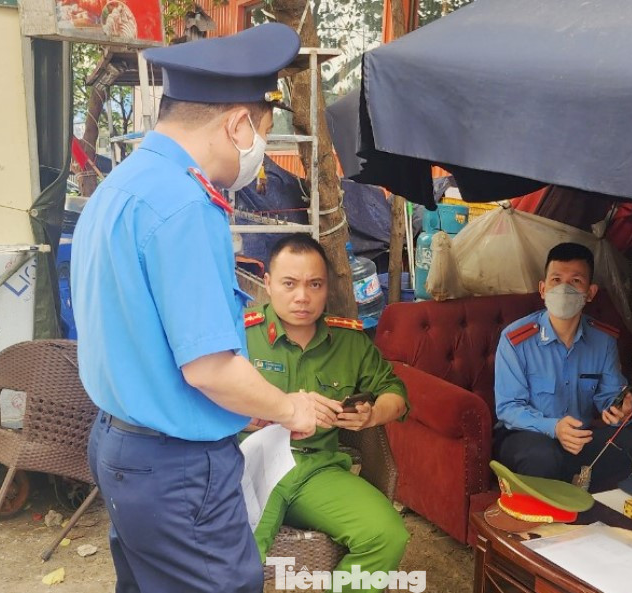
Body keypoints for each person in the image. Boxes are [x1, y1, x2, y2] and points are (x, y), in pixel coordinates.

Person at [70, 24, 318, 593]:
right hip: (176, 470)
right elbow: (208, 367)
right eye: (262, 132)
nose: (260, 152)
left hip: (118, 446)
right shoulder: (186, 205)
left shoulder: (121, 185)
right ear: (236, 124)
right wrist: (288, 408)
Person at [242, 234, 410, 593]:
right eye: (289, 283)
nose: (302, 296)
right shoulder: (240, 335)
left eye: (314, 284)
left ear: (327, 287)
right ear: (268, 284)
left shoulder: (348, 340)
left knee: (386, 535)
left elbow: (396, 393)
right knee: (238, 555)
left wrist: (372, 414)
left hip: (316, 471)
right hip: (249, 464)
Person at [493, 242, 632, 491]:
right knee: (543, 458)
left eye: (576, 281)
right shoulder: (516, 339)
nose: (564, 288)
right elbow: (509, 409)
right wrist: (554, 428)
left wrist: (623, 410)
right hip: (526, 436)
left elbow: (610, 397)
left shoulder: (603, 340)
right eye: (556, 279)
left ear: (590, 292)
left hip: (580, 440)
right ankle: (559, 497)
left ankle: (581, 487)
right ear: (543, 289)